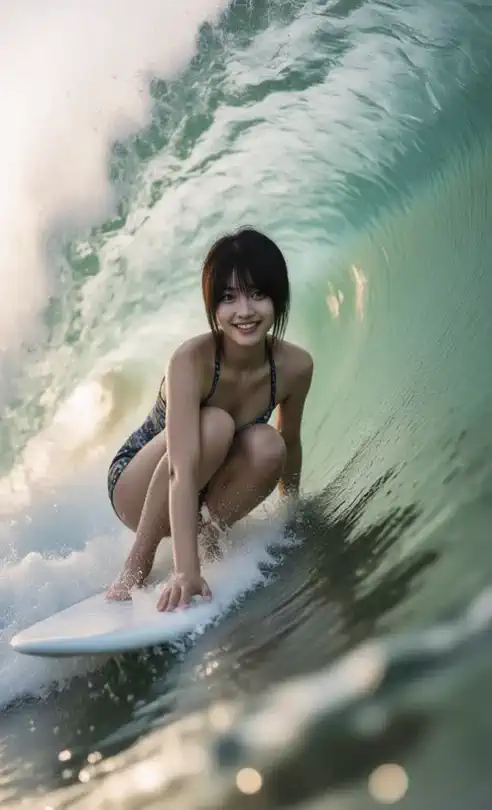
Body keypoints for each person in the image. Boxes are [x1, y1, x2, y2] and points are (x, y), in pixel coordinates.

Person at [106, 227, 313, 612]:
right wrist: (186, 571)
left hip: (202, 487)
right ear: (213, 306)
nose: (245, 311)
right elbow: (179, 472)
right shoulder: (191, 361)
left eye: (257, 294)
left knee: (272, 445)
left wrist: (293, 513)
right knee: (216, 424)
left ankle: (207, 535)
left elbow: (293, 441)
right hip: (139, 485)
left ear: (277, 298)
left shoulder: (295, 367)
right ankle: (140, 558)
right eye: (229, 298)